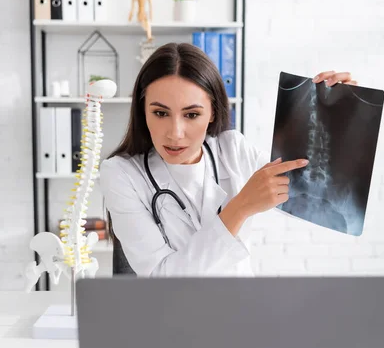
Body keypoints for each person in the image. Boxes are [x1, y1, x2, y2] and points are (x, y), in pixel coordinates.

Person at [100, 42, 357, 277]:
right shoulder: (121, 174)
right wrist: (240, 206)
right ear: (142, 111)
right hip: (173, 321)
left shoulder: (233, 150)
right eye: (160, 113)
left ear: (212, 112)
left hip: (243, 314)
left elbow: (317, 198)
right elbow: (162, 277)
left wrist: (335, 117)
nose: (175, 133)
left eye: (191, 115)